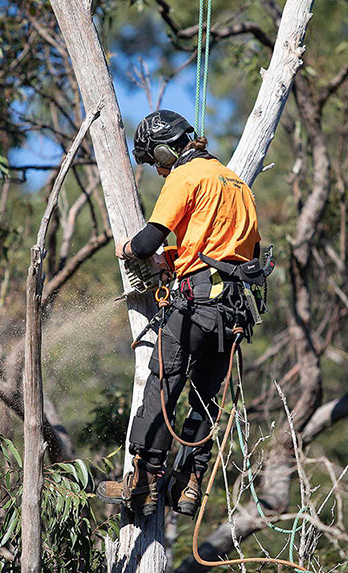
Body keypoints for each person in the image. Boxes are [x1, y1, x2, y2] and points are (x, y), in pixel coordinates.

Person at [97, 110, 261, 518]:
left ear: (167, 149)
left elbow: (149, 237)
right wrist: (172, 259)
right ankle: (189, 483)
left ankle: (144, 485)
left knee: (163, 384)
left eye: (156, 159)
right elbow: (237, 251)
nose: (157, 168)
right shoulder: (235, 181)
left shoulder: (184, 178)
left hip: (195, 304)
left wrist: (131, 250)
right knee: (205, 397)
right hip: (233, 311)